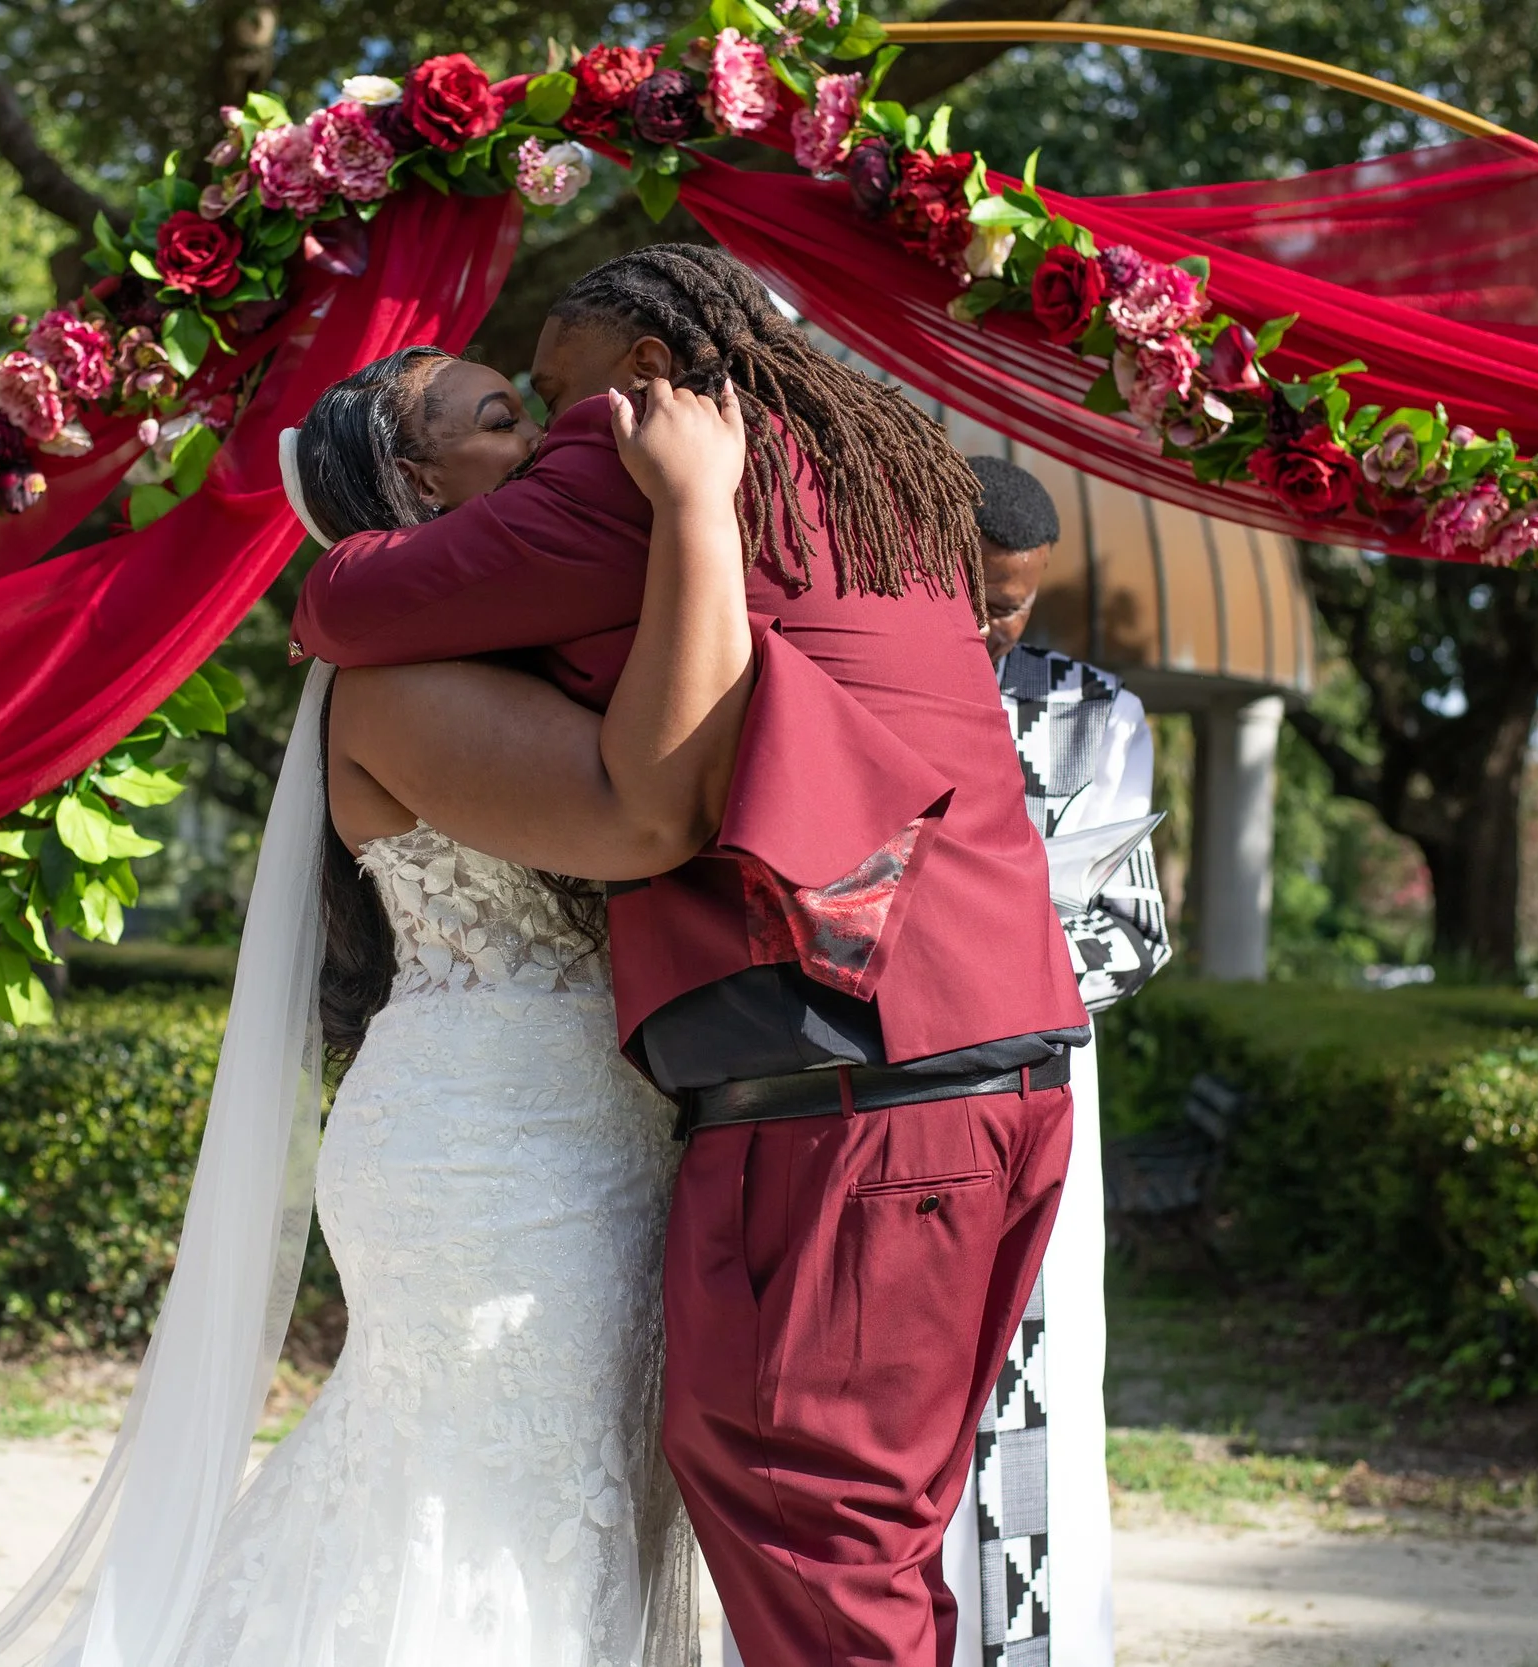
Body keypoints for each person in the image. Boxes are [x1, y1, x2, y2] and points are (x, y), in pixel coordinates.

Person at [292, 244, 1091, 1667]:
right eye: (510, 412)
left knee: (815, 1524)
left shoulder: (631, 465)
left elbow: (341, 609)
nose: (546, 426)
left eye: (548, 391)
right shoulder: (878, 476)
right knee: (866, 1528)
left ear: (651, 378)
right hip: (978, 1054)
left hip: (852, 1074)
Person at [0, 352, 756, 1667]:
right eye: (499, 415)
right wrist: (697, 509)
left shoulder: (543, 656)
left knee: (573, 1497)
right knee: (487, 1506)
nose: (545, 427)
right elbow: (644, 814)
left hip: (606, 1135)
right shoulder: (391, 688)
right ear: (415, 477)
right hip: (489, 1155)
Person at [943, 457, 1171, 1667]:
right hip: (880, 1094)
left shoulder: (1094, 711)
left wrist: (953, 969)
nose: (990, 621)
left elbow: (1129, 931)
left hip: (1034, 1084)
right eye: (969, 591)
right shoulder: (834, 680)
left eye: (1014, 600)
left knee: (1034, 1377)